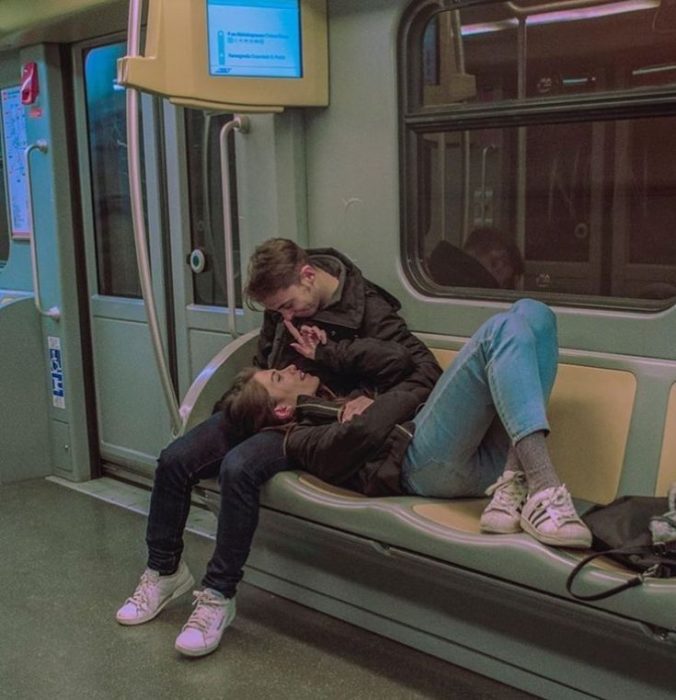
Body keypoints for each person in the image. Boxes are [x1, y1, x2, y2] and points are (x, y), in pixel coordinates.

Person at [115, 238, 441, 657]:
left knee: (239, 467)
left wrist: (335, 360)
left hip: (312, 416)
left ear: (308, 276)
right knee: (176, 458)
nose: (284, 317)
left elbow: (420, 367)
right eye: (277, 311)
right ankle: (165, 570)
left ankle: (218, 594)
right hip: (270, 403)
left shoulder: (369, 308)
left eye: (288, 306)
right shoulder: (282, 306)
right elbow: (267, 356)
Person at [222, 299, 592, 549]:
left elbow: (405, 365)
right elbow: (367, 429)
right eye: (278, 378)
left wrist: (332, 353)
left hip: (479, 465)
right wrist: (383, 403)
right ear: (282, 411)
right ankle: (543, 486)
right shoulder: (302, 438)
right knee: (500, 330)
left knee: (534, 312)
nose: (289, 367)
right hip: (421, 466)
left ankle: (513, 484)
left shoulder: (334, 384)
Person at [427, 227, 524, 290]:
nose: (503, 290)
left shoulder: (428, 275)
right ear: (497, 263)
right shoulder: (477, 291)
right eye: (506, 283)